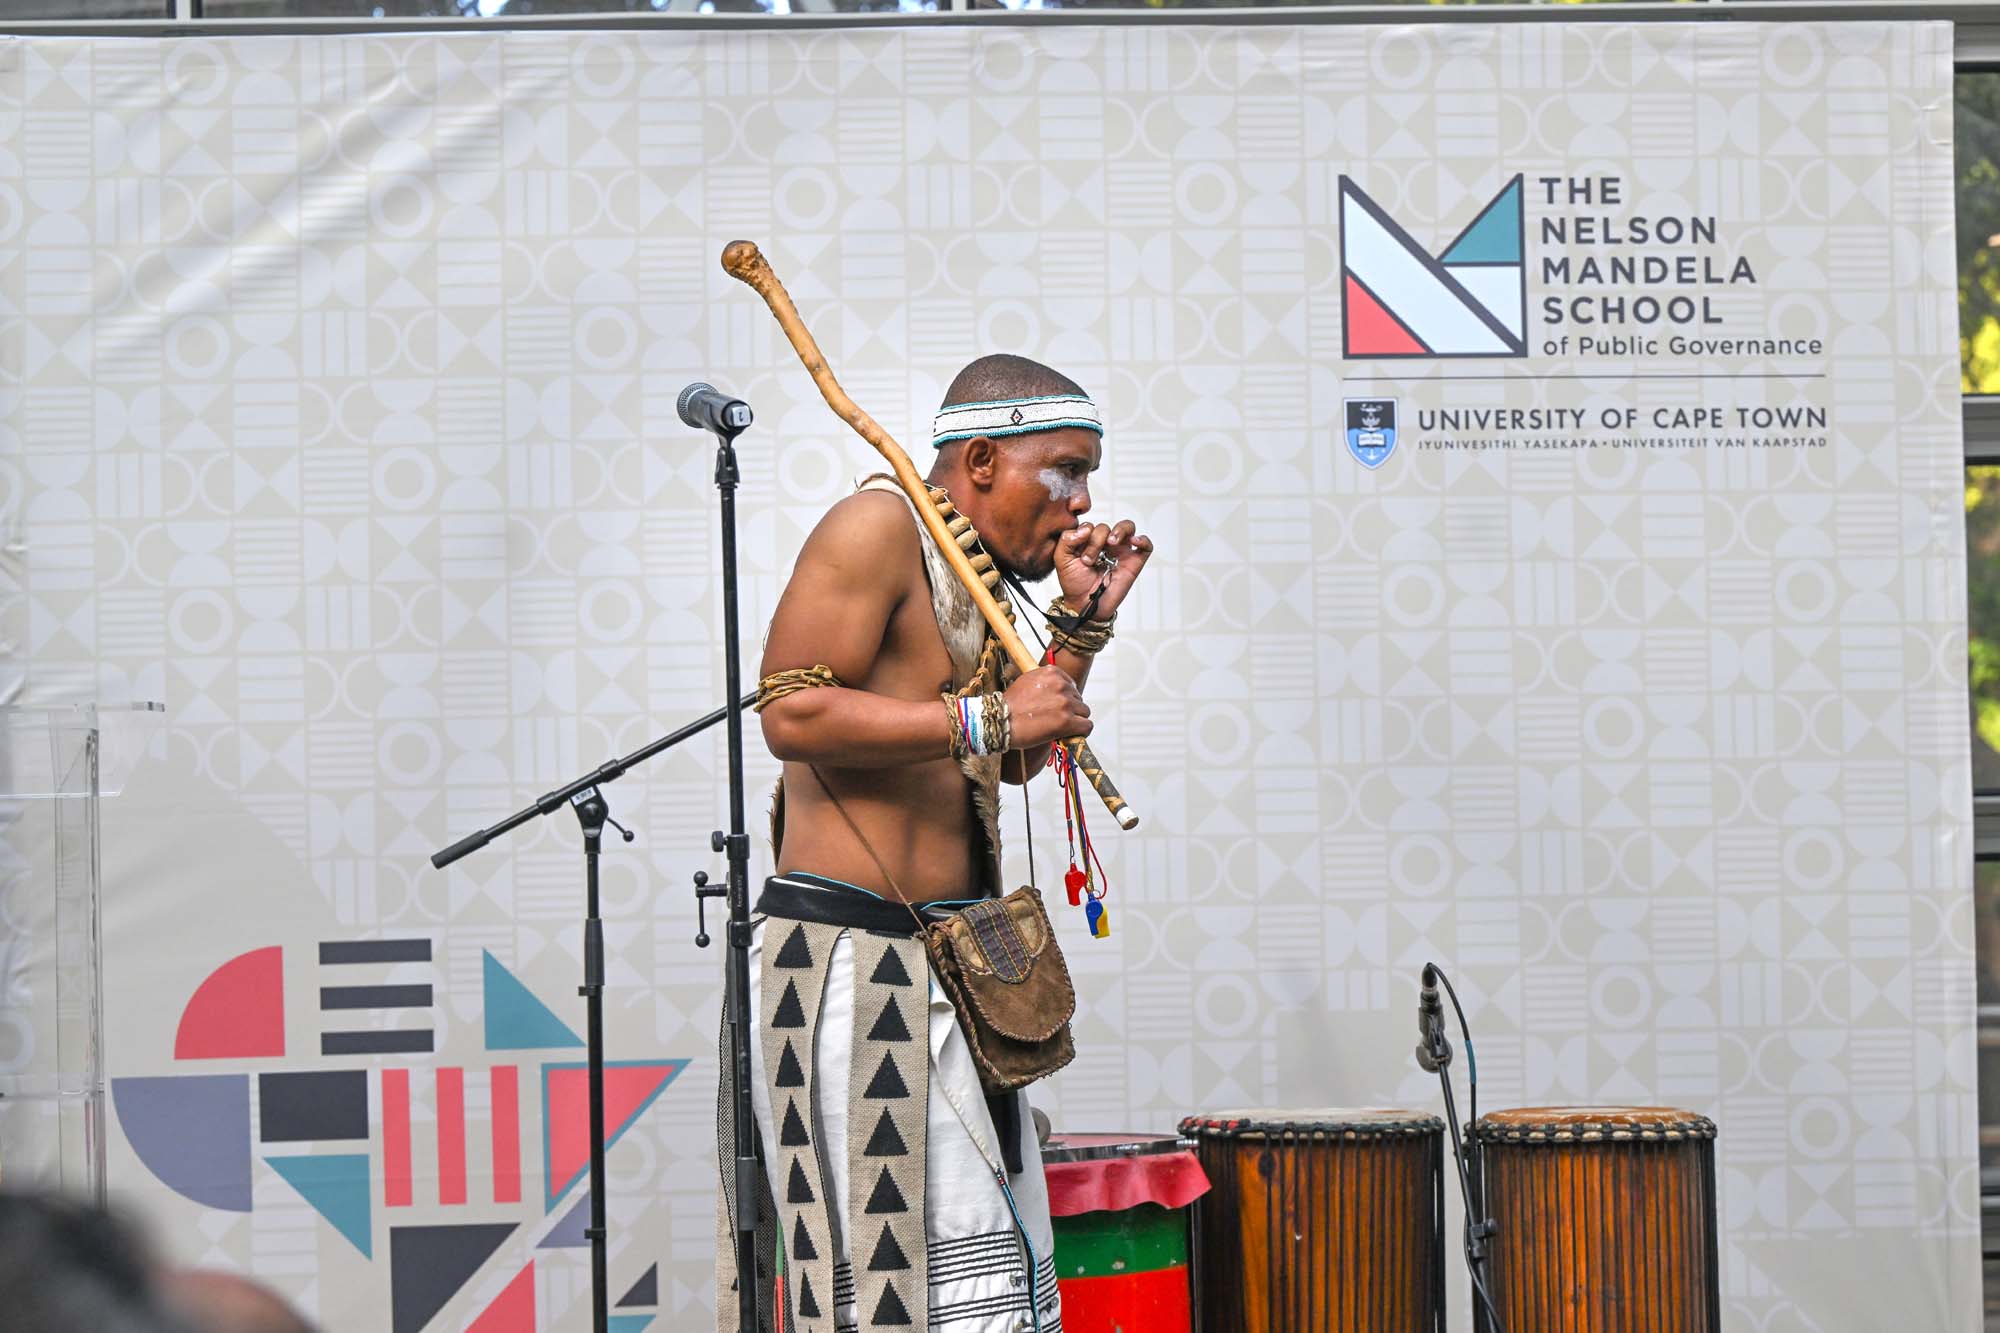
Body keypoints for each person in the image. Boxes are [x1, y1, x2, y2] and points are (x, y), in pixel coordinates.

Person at [716, 354, 1152, 1333]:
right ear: (985, 460)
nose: (1083, 498)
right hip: (849, 966)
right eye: (1066, 469)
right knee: (890, 1295)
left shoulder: (971, 570)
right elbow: (790, 714)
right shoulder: (874, 527)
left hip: (959, 965)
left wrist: (1078, 630)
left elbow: (1005, 754)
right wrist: (986, 717)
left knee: (987, 1295)